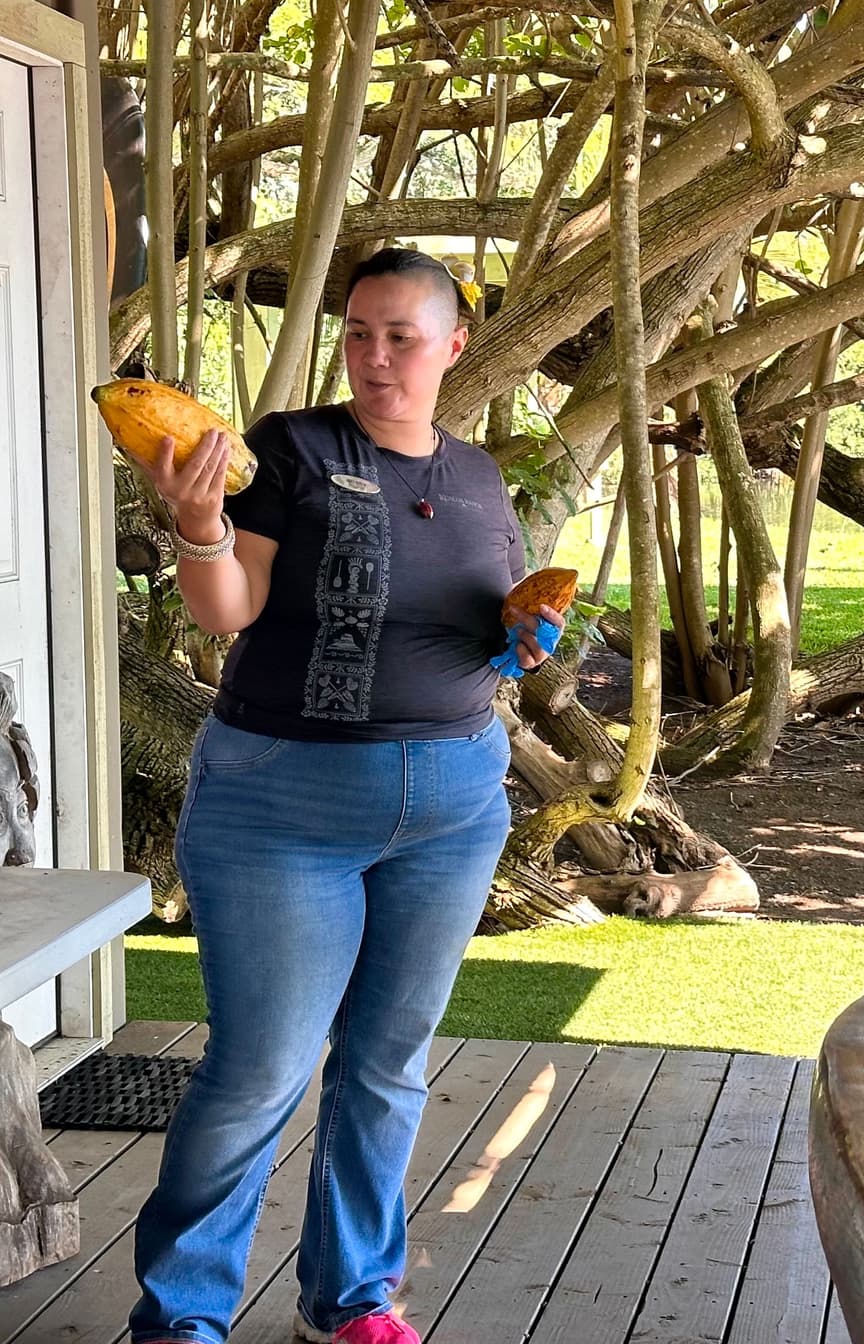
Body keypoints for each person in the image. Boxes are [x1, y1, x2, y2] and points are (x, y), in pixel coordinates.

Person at [126, 249, 565, 1344]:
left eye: (399, 337)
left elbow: (479, 628)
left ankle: (354, 1298)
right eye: (358, 334)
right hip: (285, 800)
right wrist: (196, 527)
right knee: (260, 1067)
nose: (374, 357)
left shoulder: (478, 479)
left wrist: (527, 641)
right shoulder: (294, 448)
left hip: (456, 799)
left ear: (453, 348)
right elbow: (230, 608)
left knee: (387, 1066)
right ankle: (181, 1315)